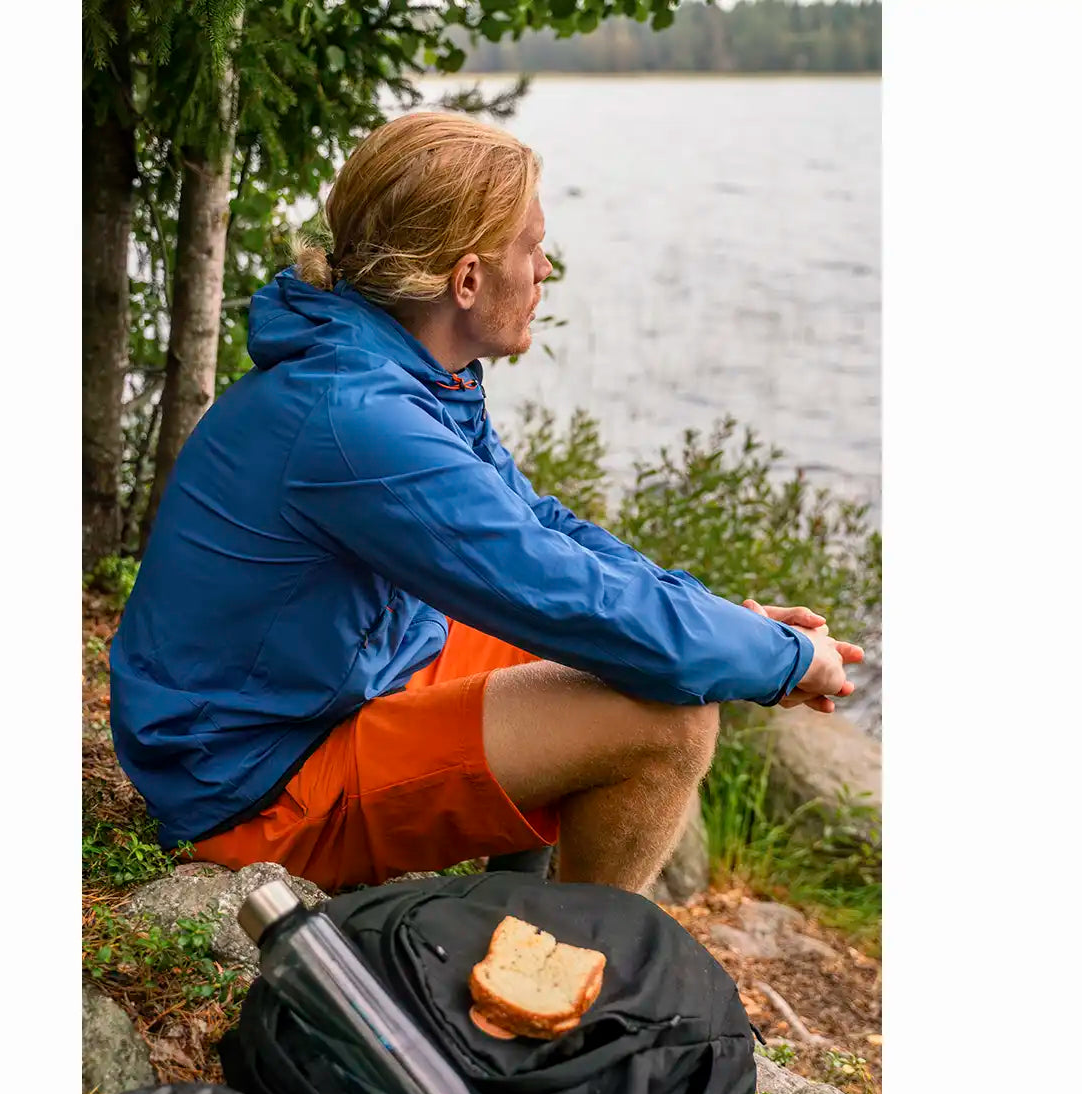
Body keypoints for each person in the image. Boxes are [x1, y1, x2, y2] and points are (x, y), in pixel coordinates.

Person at [109, 112, 863, 897]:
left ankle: (520, 921)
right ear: (466, 280)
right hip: (252, 785)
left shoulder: (401, 371)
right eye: (531, 247)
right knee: (670, 722)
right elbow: (559, 590)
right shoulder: (356, 421)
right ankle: (565, 977)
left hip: (337, 683)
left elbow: (543, 535)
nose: (546, 270)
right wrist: (785, 662)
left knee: (618, 651)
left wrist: (732, 624)